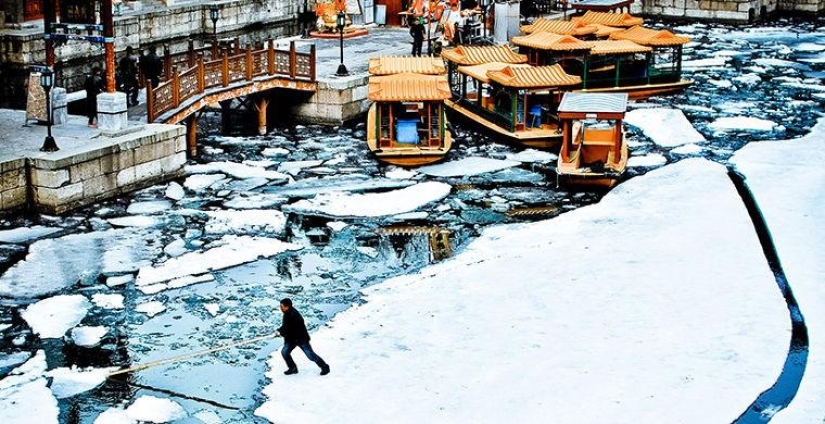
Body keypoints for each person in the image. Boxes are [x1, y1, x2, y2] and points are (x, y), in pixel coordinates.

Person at [276, 298, 330, 376]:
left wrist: (281, 333)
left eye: (282, 306)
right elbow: (286, 326)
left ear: (287, 306)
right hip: (292, 339)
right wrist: (279, 331)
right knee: (285, 352)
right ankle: (293, 368)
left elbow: (292, 330)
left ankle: (325, 367)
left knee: (310, 355)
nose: (280, 308)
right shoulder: (287, 314)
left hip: (301, 339)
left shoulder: (294, 316)